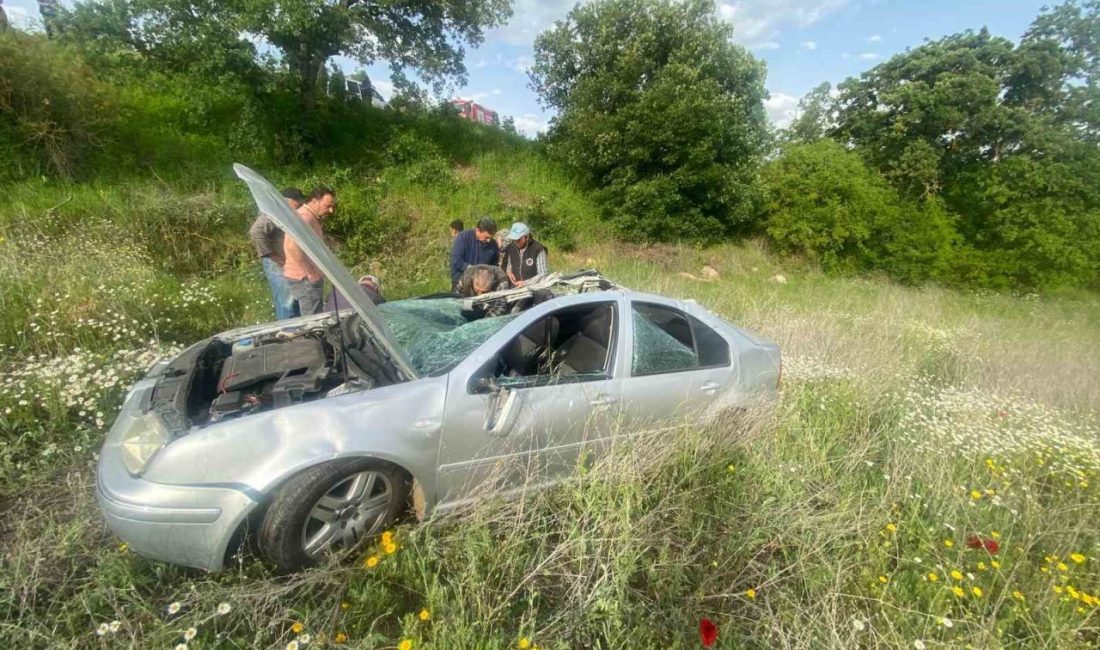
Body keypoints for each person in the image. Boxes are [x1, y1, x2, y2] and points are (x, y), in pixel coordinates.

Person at [250, 187, 304, 320]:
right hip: (276, 263)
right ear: (287, 201)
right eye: (296, 203)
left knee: (294, 298)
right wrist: (271, 255)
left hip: (284, 261)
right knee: (287, 301)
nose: (298, 207)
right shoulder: (273, 212)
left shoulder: (283, 213)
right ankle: (287, 329)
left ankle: (296, 328)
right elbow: (256, 232)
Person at [283, 186, 336, 316]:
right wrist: (311, 273)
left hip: (303, 277)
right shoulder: (305, 218)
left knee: (307, 316)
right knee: (313, 319)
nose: (331, 210)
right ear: (314, 201)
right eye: (327, 206)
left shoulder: (308, 216)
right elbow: (292, 246)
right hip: (304, 278)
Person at [450, 217, 500, 289]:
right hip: (461, 282)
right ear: (478, 230)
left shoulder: (493, 244)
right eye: (486, 237)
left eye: (491, 237)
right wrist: (473, 270)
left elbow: (494, 265)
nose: (489, 240)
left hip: (482, 285)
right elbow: (457, 260)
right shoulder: (463, 237)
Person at [500, 222, 548, 287]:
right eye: (514, 239)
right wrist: (508, 272)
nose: (516, 242)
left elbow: (543, 275)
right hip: (515, 288)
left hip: (534, 288)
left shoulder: (538, 249)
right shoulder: (511, 247)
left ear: (527, 237)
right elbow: (508, 266)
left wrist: (525, 283)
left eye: (519, 239)